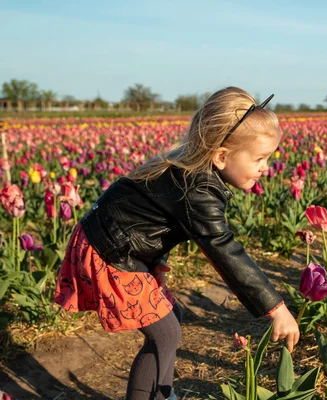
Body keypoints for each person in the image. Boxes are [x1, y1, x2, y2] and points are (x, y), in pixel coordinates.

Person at [53, 87, 300, 400]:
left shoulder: (193, 171)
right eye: (260, 159)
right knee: (165, 332)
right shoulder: (197, 187)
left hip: (119, 243)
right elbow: (224, 250)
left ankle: (161, 394)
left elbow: (149, 218)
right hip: (109, 251)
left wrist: (155, 264)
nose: (266, 167)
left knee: (170, 319)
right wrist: (275, 308)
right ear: (222, 156)